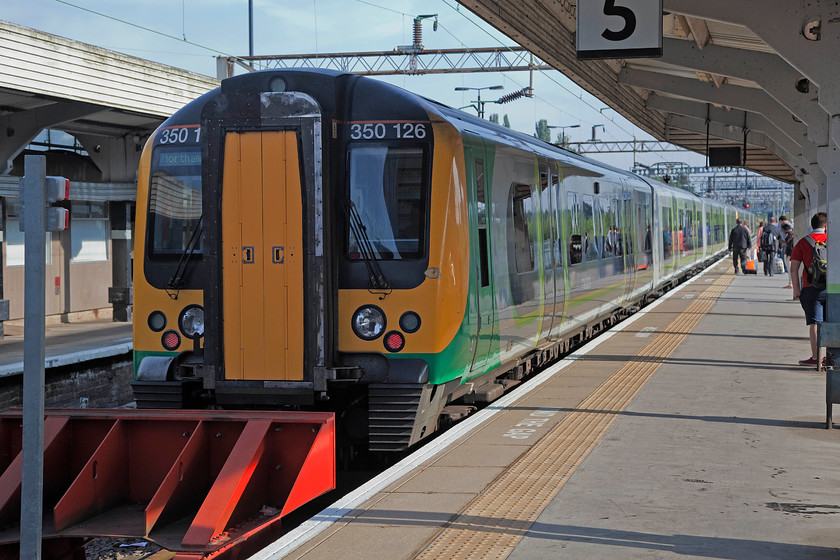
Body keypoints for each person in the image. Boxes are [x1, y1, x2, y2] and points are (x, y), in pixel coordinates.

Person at [791, 212, 827, 366]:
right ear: (826, 226)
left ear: (811, 225)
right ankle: (832, 358)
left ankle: (815, 358)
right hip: (833, 288)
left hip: (810, 287)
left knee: (815, 323)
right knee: (835, 321)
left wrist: (796, 290)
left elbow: (794, 269)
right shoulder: (833, 240)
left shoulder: (803, 242)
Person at [781, 222, 794, 288]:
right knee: (789, 269)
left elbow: (788, 243)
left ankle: (790, 284)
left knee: (789, 269)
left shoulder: (790, 234)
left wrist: (782, 241)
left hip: (789, 254)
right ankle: (790, 283)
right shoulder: (791, 234)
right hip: (790, 253)